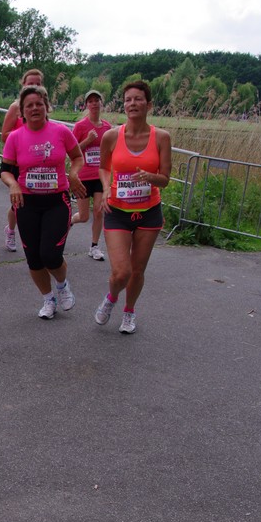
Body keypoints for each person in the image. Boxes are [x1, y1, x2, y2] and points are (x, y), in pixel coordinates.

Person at [0, 84, 86, 319]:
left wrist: (73, 174)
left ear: (47, 107)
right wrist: (13, 184)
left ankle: (62, 285)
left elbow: (77, 157)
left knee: (50, 254)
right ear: (22, 111)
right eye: (29, 105)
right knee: (34, 259)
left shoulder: (61, 132)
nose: (35, 108)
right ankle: (48, 299)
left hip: (56, 202)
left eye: (39, 104)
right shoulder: (15, 137)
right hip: (27, 203)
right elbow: (5, 171)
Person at [94, 80, 172, 334]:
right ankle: (112, 298)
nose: (132, 103)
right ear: (124, 105)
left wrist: (151, 177)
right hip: (117, 211)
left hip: (149, 212)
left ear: (148, 105)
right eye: (128, 99)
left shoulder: (161, 137)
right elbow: (104, 167)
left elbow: (165, 179)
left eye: (138, 99)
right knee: (121, 272)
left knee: (137, 271)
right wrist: (106, 188)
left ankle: (129, 311)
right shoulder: (111, 136)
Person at [0, 68, 44, 252]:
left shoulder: (42, 107)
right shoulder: (15, 107)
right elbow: (4, 134)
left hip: (39, 163)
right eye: (30, 83)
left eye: (38, 83)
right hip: (19, 163)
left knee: (38, 201)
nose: (34, 86)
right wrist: (25, 135)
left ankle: (39, 236)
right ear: (23, 85)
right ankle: (11, 230)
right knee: (18, 202)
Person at [71, 89, 113, 261]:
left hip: (100, 175)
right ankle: (70, 221)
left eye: (97, 100)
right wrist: (88, 140)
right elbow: (72, 151)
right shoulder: (80, 126)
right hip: (83, 175)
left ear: (101, 104)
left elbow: (110, 152)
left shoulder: (107, 128)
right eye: (91, 101)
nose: (94, 104)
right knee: (83, 216)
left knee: (98, 211)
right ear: (86, 105)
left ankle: (94, 246)